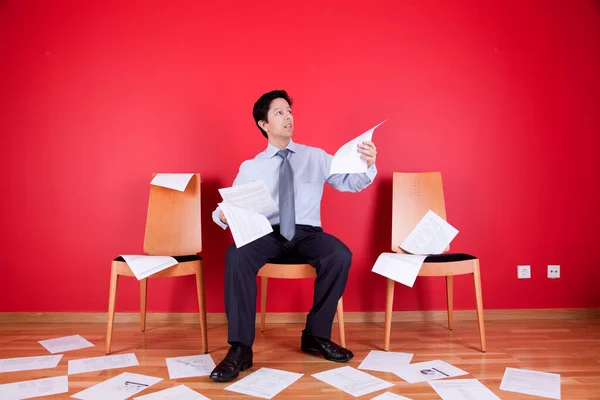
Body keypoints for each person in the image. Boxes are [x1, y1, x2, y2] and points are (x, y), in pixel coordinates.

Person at [209, 90, 378, 382]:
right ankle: (240, 348)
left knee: (339, 254)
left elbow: (350, 182)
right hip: (267, 233)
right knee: (236, 254)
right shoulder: (251, 167)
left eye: (289, 111)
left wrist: (368, 164)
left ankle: (315, 336)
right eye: (279, 113)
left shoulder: (316, 157)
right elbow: (226, 206)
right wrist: (222, 215)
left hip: (307, 233)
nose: (288, 117)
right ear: (264, 124)